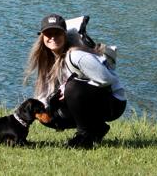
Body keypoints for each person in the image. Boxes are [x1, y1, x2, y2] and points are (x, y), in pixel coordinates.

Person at [24, 13, 127, 148]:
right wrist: (43, 107)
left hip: (114, 102)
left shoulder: (76, 55)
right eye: (49, 34)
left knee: (72, 88)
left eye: (57, 33)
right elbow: (43, 93)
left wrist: (67, 87)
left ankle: (84, 137)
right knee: (46, 116)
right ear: (42, 37)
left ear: (65, 35)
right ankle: (97, 128)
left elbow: (107, 79)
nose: (53, 37)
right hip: (92, 99)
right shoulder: (47, 59)